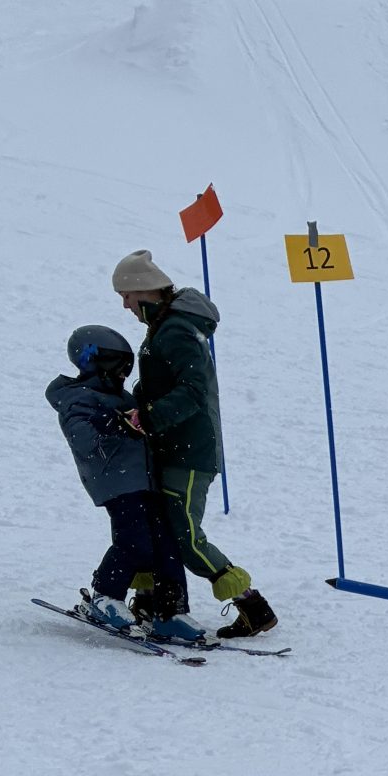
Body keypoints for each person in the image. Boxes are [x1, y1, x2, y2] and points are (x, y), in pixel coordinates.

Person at [110, 251, 277, 638]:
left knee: (185, 535)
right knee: (157, 527)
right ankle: (151, 601)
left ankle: (253, 606)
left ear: (142, 290)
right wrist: (136, 404)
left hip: (190, 453)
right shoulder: (162, 327)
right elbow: (161, 385)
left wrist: (149, 416)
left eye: (126, 296)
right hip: (171, 447)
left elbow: (192, 391)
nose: (125, 306)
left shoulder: (176, 330)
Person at [45, 326, 199, 640]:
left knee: (166, 544)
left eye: (126, 367)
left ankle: (169, 612)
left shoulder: (123, 398)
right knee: (135, 541)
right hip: (116, 483)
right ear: (92, 361)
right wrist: (115, 423)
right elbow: (82, 440)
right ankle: (104, 597)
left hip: (144, 481)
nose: (123, 373)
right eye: (117, 365)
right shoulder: (76, 398)